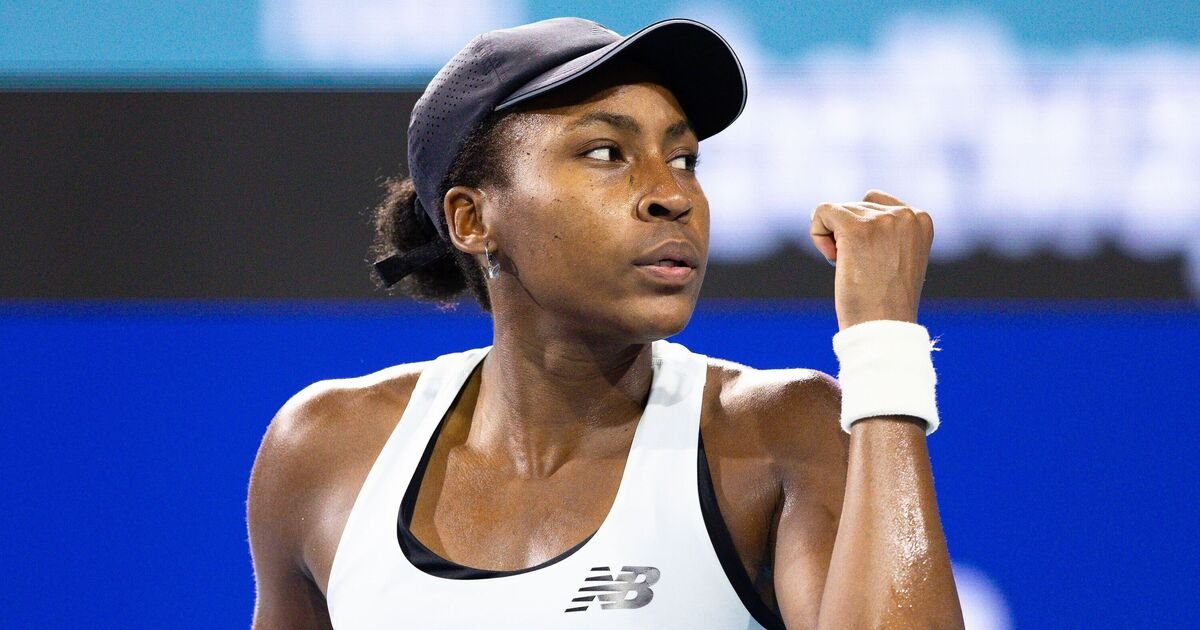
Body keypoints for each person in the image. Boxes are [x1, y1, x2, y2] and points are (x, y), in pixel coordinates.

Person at [247, 17, 963, 629]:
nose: (671, 194)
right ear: (472, 219)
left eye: (684, 158)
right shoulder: (324, 451)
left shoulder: (780, 432)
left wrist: (883, 345)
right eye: (605, 153)